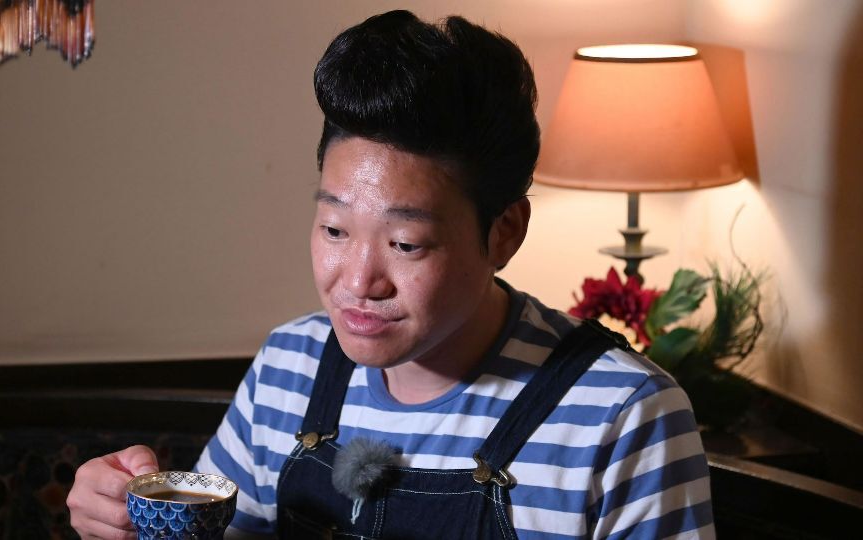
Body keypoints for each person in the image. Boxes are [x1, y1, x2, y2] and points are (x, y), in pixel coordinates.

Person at [67, 10, 714, 539]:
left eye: (406, 243)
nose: (358, 281)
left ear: (504, 233)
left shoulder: (621, 416)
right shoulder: (289, 368)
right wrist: (120, 520)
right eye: (334, 230)